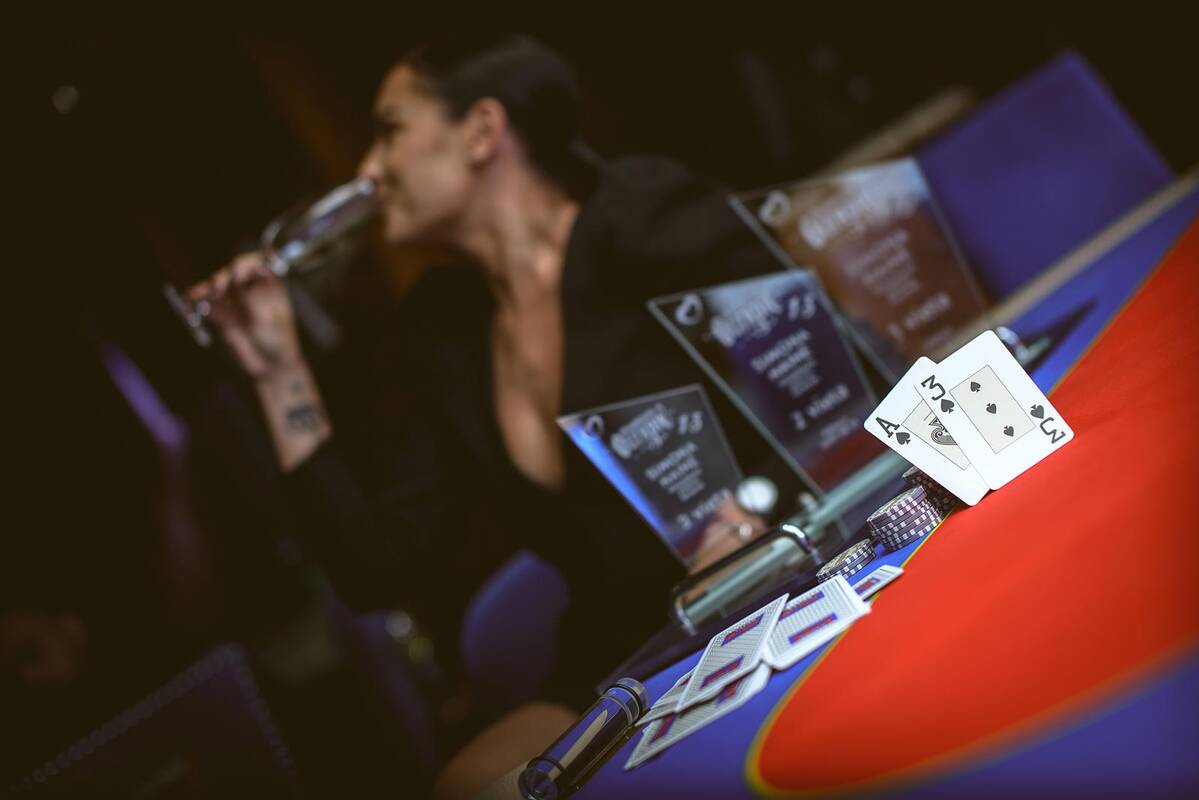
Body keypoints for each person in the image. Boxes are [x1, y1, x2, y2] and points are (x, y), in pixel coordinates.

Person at [189, 33, 779, 797]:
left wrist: (753, 517)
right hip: (632, 642)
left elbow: (820, 386)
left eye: (390, 131)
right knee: (464, 785)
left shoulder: (644, 214)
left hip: (773, 566)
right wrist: (279, 374)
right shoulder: (444, 329)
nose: (367, 169)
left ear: (480, 131)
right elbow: (379, 568)